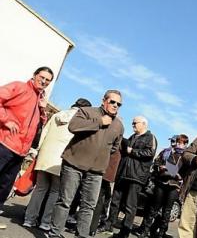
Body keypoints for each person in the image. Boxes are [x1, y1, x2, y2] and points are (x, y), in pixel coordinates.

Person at [46, 90, 124, 238]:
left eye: (118, 104)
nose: (115, 106)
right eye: (112, 102)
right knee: (65, 201)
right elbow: (73, 126)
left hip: (96, 171)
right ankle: (54, 234)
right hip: (73, 164)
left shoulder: (119, 125)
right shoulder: (87, 112)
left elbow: (114, 147)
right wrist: (100, 122)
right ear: (104, 100)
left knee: (89, 206)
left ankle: (82, 235)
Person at [23, 98, 92, 231]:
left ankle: (29, 219)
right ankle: (45, 222)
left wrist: (38, 151)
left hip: (45, 156)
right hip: (61, 160)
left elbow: (44, 133)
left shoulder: (56, 115)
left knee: (39, 189)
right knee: (56, 192)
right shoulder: (80, 121)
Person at [0, 66, 53, 229]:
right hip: (4, 143)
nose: (43, 81)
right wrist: (5, 119)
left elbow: (39, 125)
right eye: (41, 77)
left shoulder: (40, 100)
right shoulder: (19, 87)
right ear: (34, 75)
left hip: (21, 151)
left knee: (4, 185)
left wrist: (43, 109)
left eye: (47, 80)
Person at [104, 116, 157, 238]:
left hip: (136, 177)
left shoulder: (150, 137)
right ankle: (108, 225)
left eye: (135, 123)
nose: (132, 125)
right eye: (132, 123)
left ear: (144, 124)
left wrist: (132, 151)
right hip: (123, 174)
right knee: (115, 201)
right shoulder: (132, 137)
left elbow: (150, 153)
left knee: (130, 205)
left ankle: (125, 232)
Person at [138, 134, 189, 238]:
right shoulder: (166, 152)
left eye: (182, 143)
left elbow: (186, 173)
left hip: (174, 186)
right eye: (178, 142)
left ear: (186, 145)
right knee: (154, 209)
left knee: (167, 211)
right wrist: (160, 167)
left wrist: (174, 173)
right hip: (161, 183)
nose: (179, 145)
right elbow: (156, 163)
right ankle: (145, 230)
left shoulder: (186, 157)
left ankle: (161, 233)